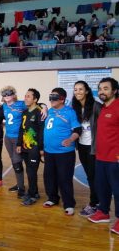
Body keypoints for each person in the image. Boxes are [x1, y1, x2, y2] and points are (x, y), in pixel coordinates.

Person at [43, 88, 81, 216]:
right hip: (49, 151)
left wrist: (71, 139)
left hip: (64, 153)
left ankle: (69, 203)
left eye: (55, 97)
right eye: (50, 96)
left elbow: (77, 129)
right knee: (49, 177)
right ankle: (52, 198)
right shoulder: (49, 111)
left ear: (62, 99)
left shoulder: (69, 112)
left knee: (64, 178)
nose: (51, 99)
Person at [88, 78, 119, 235]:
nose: (102, 91)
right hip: (101, 157)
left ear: (114, 91)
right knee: (102, 187)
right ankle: (104, 212)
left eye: (106, 88)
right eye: (100, 89)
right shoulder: (103, 108)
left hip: (115, 158)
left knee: (118, 190)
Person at [72, 81, 101, 217]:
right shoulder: (75, 107)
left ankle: (94, 204)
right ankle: (98, 201)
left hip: (94, 147)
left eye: (81, 89)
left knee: (93, 176)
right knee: (91, 176)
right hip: (82, 146)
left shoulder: (96, 106)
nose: (78, 92)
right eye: (75, 89)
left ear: (87, 91)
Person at [17, 89, 44, 205]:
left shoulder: (40, 112)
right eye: (25, 96)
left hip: (35, 148)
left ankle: (32, 195)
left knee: (32, 171)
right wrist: (19, 144)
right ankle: (34, 192)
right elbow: (21, 129)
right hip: (24, 147)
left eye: (28, 96)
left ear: (35, 99)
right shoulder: (24, 112)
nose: (25, 98)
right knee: (29, 171)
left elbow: (42, 132)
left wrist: (41, 148)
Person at [1, 86, 25, 196]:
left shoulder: (21, 104)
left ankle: (21, 188)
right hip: (8, 137)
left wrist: (43, 107)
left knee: (17, 162)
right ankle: (19, 184)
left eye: (9, 94)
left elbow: (36, 106)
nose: (6, 96)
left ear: (13, 94)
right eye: (4, 94)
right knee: (13, 161)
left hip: (18, 137)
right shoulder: (4, 106)